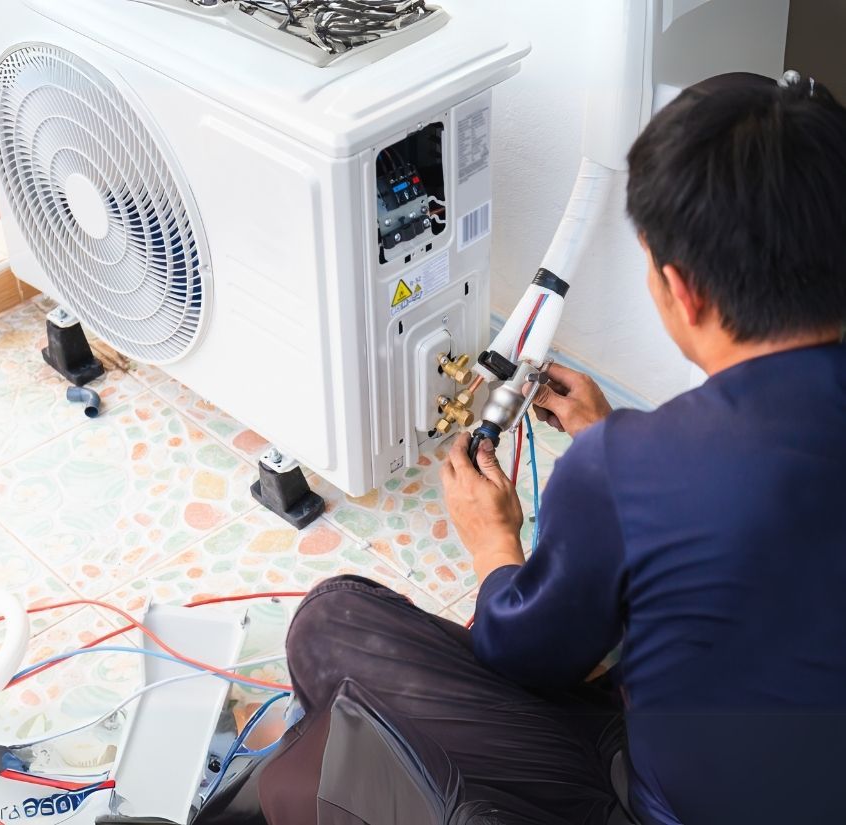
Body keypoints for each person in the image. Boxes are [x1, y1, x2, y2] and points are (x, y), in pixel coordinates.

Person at [206, 73, 846, 825]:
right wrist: (618, 445)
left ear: (683, 289)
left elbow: (525, 656)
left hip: (655, 800)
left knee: (329, 621)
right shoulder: (640, 462)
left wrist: (494, 542)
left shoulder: (628, 470)